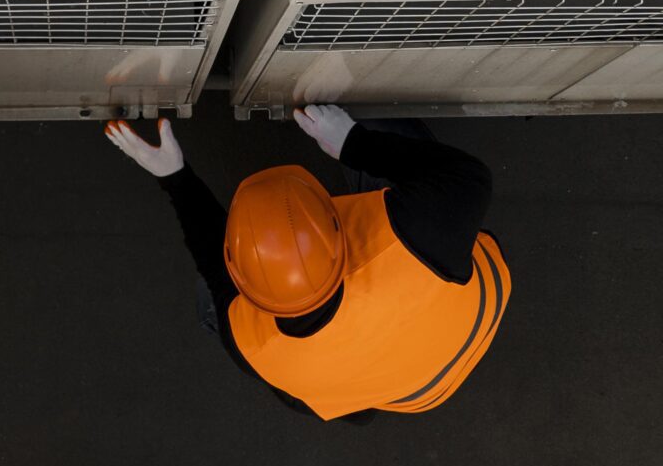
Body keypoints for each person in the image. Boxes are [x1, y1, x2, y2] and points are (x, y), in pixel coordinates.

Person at [103, 105, 506, 420]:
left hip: (409, 392)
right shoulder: (417, 230)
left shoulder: (257, 346)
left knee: (215, 301)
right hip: (458, 329)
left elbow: (213, 260)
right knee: (391, 140)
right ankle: (350, 117)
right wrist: (352, 142)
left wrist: (174, 176)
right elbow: (467, 175)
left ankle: (355, 404)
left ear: (244, 278)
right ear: (336, 226)